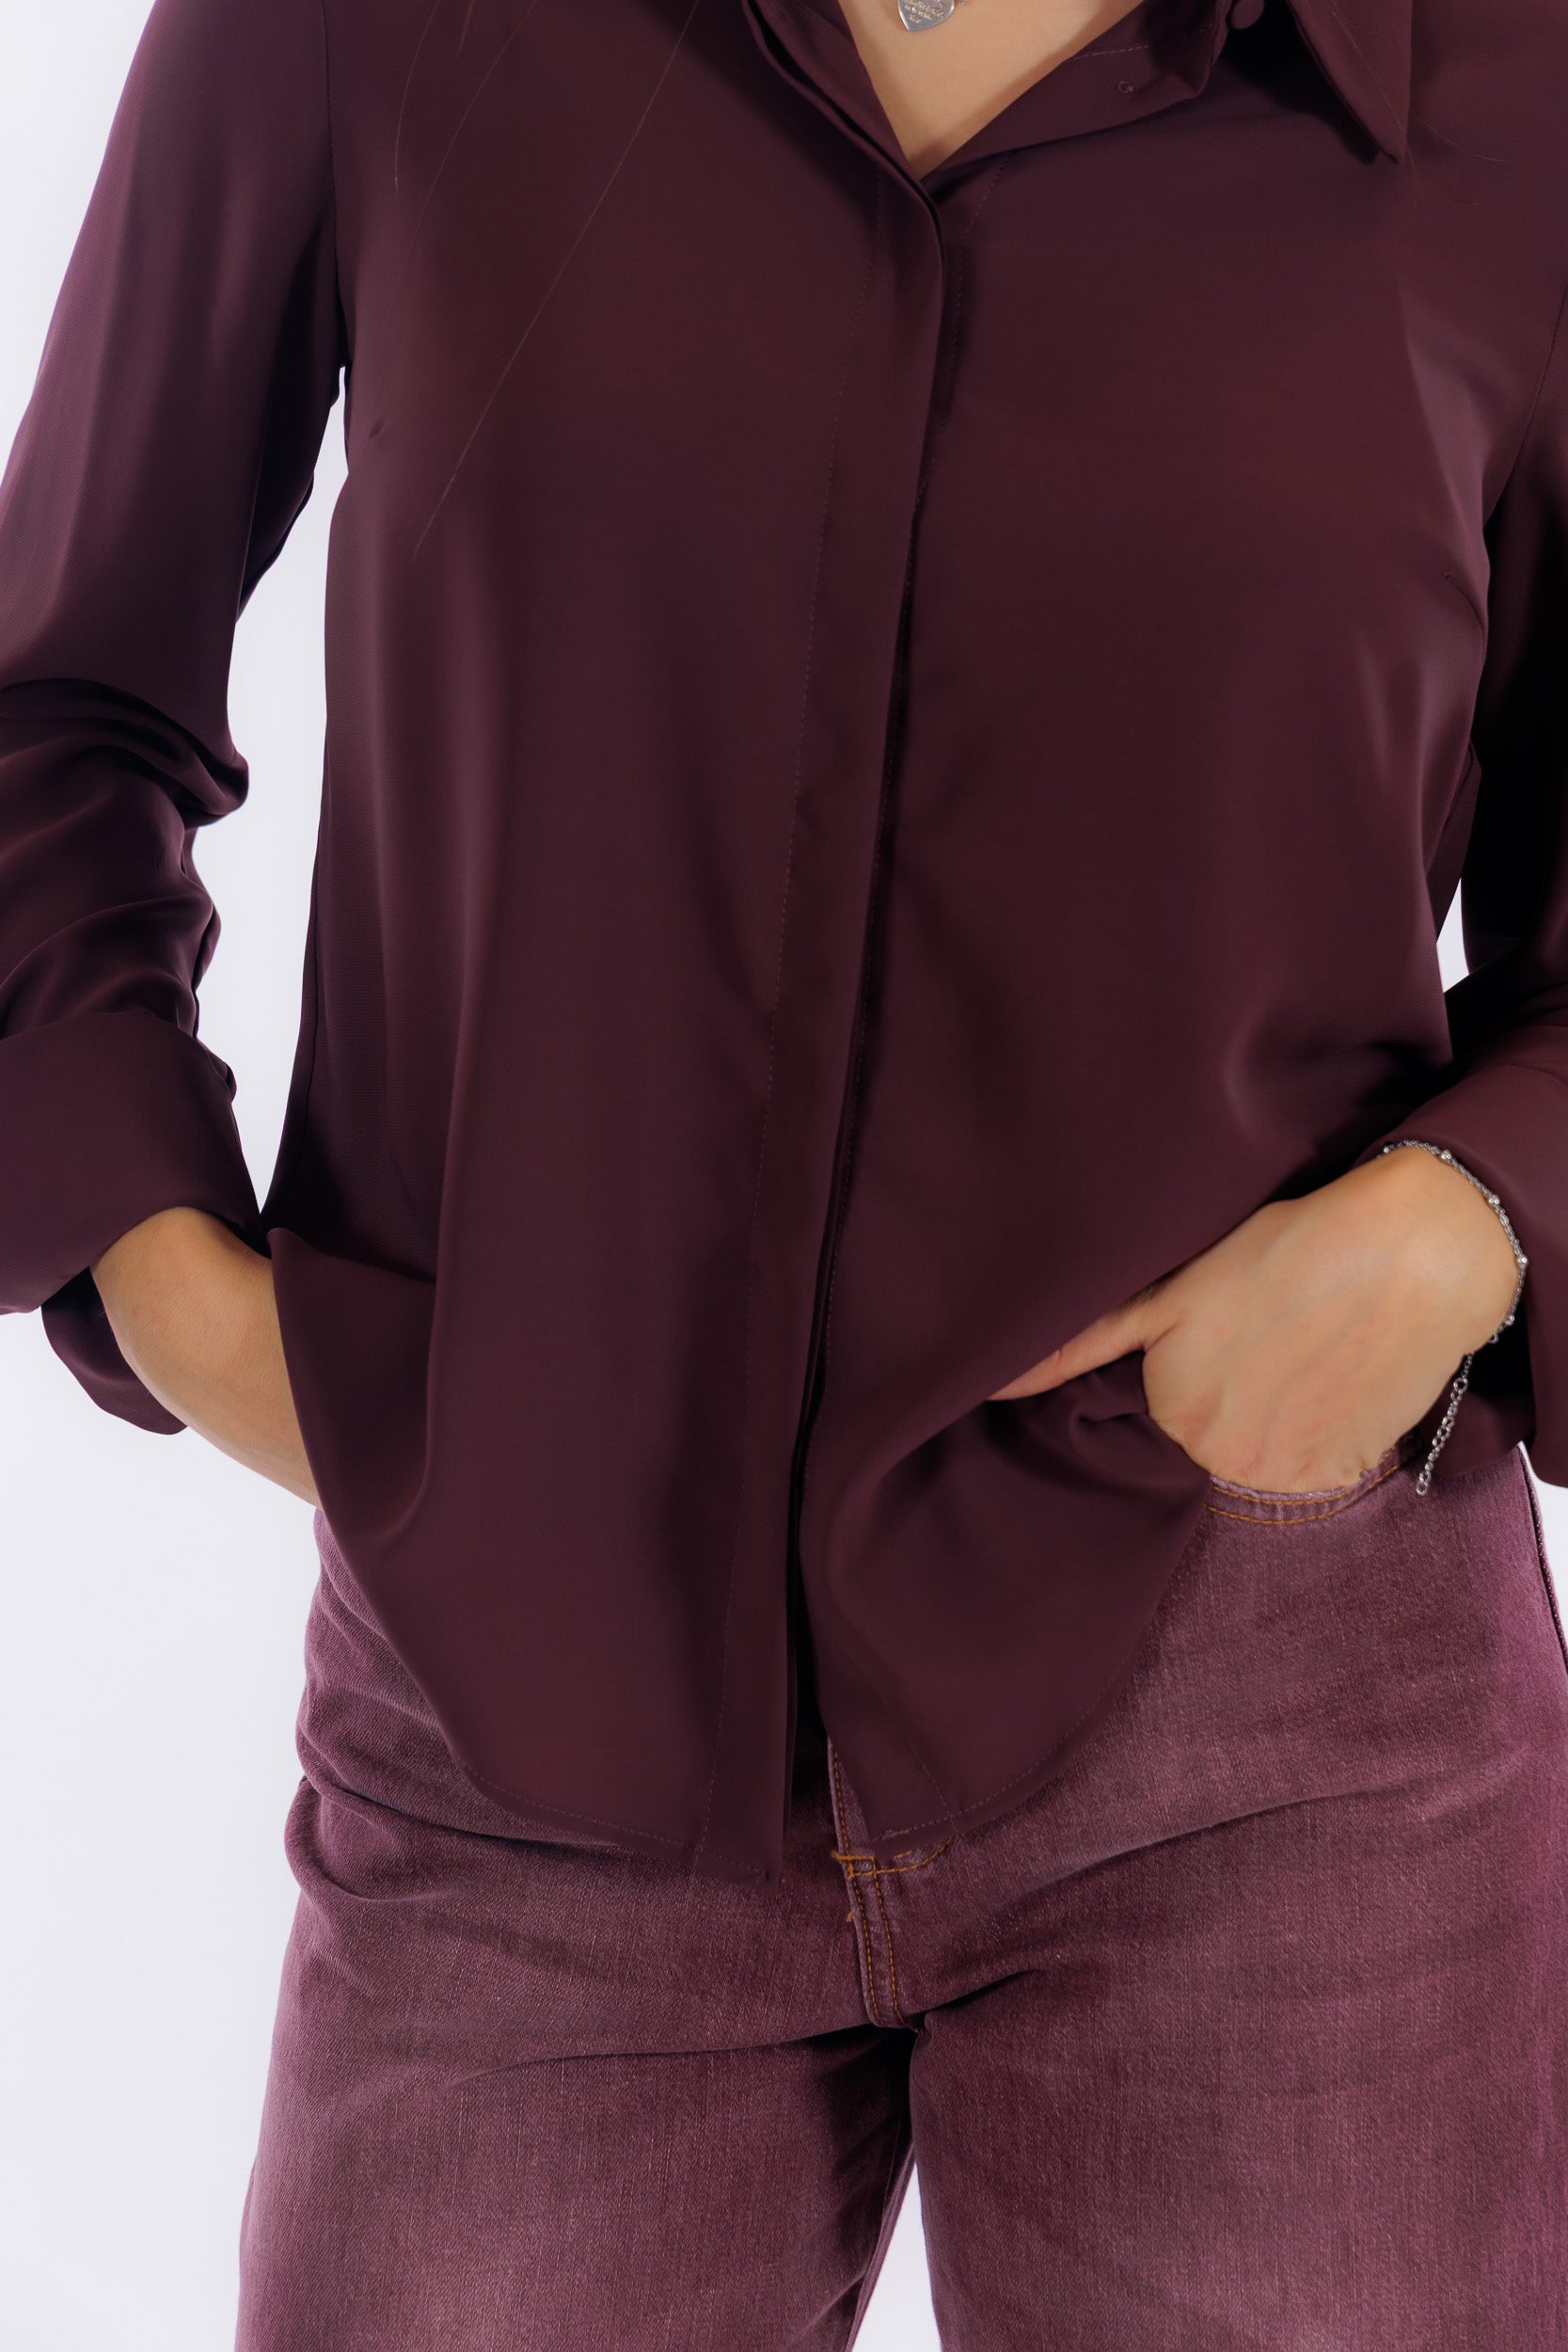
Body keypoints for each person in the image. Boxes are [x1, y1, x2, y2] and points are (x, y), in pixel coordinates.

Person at [2, 0, 1566, 2341]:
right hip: (519, 1669)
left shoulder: (1522, 84)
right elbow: (55, 701)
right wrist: (159, 1266)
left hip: (1272, 1690)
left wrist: (1470, 1217)